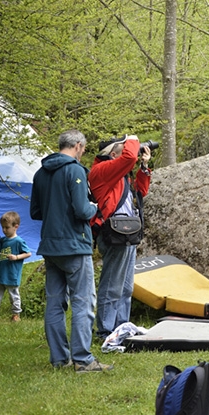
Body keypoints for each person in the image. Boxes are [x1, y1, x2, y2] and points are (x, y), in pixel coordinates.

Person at [30, 130, 111, 372]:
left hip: (50, 246)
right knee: (83, 302)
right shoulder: (74, 170)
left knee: (55, 303)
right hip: (75, 245)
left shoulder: (40, 173)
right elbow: (81, 210)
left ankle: (59, 359)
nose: (83, 153)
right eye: (83, 149)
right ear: (77, 146)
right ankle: (83, 360)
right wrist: (94, 207)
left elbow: (36, 212)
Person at [87, 134, 152, 340]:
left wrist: (144, 167)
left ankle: (121, 327)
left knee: (125, 286)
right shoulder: (101, 170)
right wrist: (133, 138)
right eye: (124, 147)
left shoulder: (120, 174)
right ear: (113, 153)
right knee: (112, 285)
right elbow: (129, 158)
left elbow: (141, 191)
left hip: (128, 231)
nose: (129, 150)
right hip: (114, 232)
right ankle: (105, 331)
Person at [0, 211, 31, 322]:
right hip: (0, 274)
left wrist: (16, 257)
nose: (4, 230)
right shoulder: (2, 240)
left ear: (15, 227)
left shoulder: (19, 241)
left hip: (11, 275)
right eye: (2, 227)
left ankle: (16, 314)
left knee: (14, 296)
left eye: (7, 227)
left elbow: (28, 253)